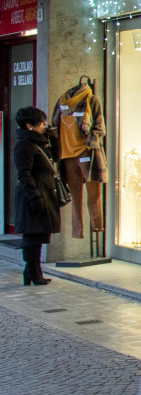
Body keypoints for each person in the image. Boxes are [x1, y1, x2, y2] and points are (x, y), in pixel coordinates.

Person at [13, 106, 62, 286]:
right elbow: (24, 174)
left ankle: (32, 271)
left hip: (44, 194)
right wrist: (35, 197)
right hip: (32, 196)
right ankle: (32, 270)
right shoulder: (24, 145)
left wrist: (54, 137)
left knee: (40, 234)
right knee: (32, 234)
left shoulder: (41, 142)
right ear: (29, 126)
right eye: (41, 123)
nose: (44, 125)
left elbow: (56, 157)